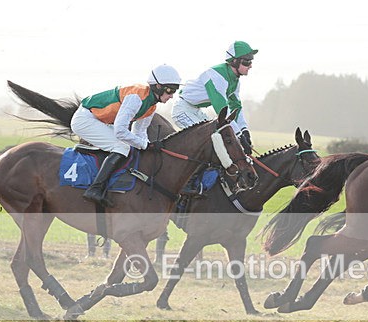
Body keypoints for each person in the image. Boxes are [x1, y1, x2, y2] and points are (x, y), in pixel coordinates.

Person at [70, 64, 181, 207]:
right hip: (84, 119)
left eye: (174, 91)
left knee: (129, 147)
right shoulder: (136, 97)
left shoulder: (151, 105)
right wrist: (146, 145)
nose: (172, 95)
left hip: (100, 121)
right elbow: (120, 131)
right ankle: (95, 189)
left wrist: (148, 146)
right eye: (170, 90)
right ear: (158, 86)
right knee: (121, 146)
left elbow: (139, 132)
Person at [172, 41, 258, 196]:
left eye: (251, 61)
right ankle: (187, 183)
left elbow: (236, 108)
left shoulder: (234, 80)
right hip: (183, 109)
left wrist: (244, 131)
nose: (250, 65)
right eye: (247, 61)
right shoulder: (216, 75)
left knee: (221, 139)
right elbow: (222, 111)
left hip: (196, 111)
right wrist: (238, 136)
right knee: (209, 141)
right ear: (234, 62)